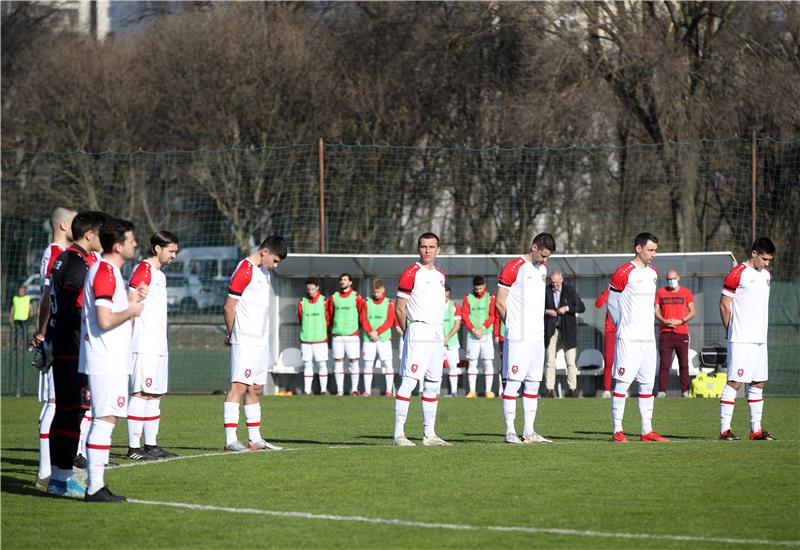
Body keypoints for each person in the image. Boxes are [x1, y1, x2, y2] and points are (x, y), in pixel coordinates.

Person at [80, 218, 146, 502]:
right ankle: (95, 487)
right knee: (104, 420)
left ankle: (96, 484)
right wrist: (131, 311)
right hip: (104, 360)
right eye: (131, 240)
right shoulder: (105, 272)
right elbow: (105, 320)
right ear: (118, 246)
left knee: (106, 419)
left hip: (110, 359)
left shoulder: (110, 272)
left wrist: (131, 301)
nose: (135, 244)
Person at [45, 211, 107, 498]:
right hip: (71, 349)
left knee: (68, 412)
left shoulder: (65, 259)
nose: (104, 238)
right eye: (101, 233)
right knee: (72, 413)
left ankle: (59, 477)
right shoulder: (75, 263)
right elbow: (72, 306)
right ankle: (62, 478)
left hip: (63, 345)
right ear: (89, 234)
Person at [222, 236, 288, 452]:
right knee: (239, 387)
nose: (275, 265)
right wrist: (232, 334)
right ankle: (231, 440)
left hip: (260, 340)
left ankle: (255, 440)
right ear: (264, 252)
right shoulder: (245, 270)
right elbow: (229, 307)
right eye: (275, 260)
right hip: (245, 338)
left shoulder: (264, 271)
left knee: (256, 388)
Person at [30, 207, 76, 489]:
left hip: (60, 337)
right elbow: (47, 296)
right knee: (53, 403)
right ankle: (45, 471)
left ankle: (57, 466)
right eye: (74, 223)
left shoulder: (62, 254)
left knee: (60, 403)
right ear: (62, 224)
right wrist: (43, 332)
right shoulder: (55, 253)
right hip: (55, 339)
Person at [607, 232, 668, 443]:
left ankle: (646, 431)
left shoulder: (653, 273)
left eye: (656, 250)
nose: (654, 254)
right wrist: (621, 326)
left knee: (647, 385)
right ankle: (617, 430)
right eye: (650, 250)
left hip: (648, 339)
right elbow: (611, 302)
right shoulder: (623, 272)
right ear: (638, 248)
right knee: (623, 384)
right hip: (629, 339)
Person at [496, 232, 555, 445]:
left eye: (548, 257)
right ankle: (510, 431)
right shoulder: (514, 267)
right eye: (543, 255)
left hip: (537, 336)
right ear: (534, 247)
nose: (546, 261)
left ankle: (529, 432)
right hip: (518, 335)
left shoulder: (542, 269)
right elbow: (500, 303)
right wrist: (512, 327)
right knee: (513, 383)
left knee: (532, 384)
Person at [392, 232, 451, 447]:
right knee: (409, 381)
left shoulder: (440, 275)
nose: (427, 250)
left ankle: (430, 434)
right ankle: (399, 435)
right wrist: (409, 330)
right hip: (419, 331)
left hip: (437, 333)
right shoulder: (410, 273)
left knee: (433, 384)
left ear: (438, 249)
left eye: (431, 246)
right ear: (418, 248)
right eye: (423, 246)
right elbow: (400, 306)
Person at [126, 230, 180, 460]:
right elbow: (130, 301)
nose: (174, 256)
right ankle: (133, 448)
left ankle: (151, 445)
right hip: (144, 343)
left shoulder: (160, 275)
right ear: (157, 248)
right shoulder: (144, 269)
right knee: (141, 393)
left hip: (159, 344)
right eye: (171, 251)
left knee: (155, 394)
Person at [718, 237, 776, 441]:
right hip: (741, 338)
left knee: (758, 383)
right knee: (735, 382)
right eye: (765, 259)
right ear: (754, 253)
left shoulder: (766, 275)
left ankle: (756, 430)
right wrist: (730, 330)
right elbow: (725, 304)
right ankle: (725, 430)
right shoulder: (737, 273)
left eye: (769, 260)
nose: (767, 263)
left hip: (760, 338)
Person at [544, 270, 586, 398]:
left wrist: (567, 308)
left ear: (562, 280)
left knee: (570, 362)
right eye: (553, 283)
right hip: (552, 330)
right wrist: (547, 311)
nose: (555, 285)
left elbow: (581, 307)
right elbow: (537, 308)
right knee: (550, 361)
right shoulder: (546, 291)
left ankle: (572, 389)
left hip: (568, 330)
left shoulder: (569, 290)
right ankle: (549, 390)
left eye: (557, 283)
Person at [654, 269, 696, 398]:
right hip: (665, 334)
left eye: (673, 278)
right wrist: (664, 321)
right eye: (669, 279)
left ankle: (685, 391)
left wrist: (681, 321)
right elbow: (655, 311)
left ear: (678, 278)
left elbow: (693, 311)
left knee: (684, 363)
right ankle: (662, 391)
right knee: (664, 364)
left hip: (682, 333)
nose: (671, 281)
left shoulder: (686, 292)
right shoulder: (660, 292)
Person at [326, 273, 366, 396]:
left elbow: (362, 314)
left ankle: (354, 389)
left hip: (352, 335)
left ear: (350, 282)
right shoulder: (334, 297)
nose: (342, 282)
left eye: (345, 280)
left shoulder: (356, 297)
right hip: (337, 335)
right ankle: (339, 391)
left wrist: (357, 328)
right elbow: (329, 314)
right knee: (338, 362)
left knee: (354, 361)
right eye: (341, 280)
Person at [360, 279, 396, 397]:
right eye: (374, 292)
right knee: (368, 365)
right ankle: (367, 391)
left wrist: (377, 332)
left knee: (387, 364)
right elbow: (363, 319)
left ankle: (388, 391)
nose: (376, 294)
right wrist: (371, 332)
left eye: (378, 292)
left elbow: (390, 320)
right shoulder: (367, 302)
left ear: (383, 290)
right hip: (369, 338)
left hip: (384, 339)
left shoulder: (388, 303)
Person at [461, 276, 497, 398]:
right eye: (476, 289)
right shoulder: (468, 298)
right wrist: (473, 329)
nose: (479, 291)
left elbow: (492, 316)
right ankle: (472, 391)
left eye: (480, 289)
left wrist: (481, 328)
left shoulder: (490, 298)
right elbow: (465, 315)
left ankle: (488, 391)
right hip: (472, 335)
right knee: (472, 362)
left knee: (487, 362)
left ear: (484, 286)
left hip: (486, 335)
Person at [298, 277, 331, 395]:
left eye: (312, 289)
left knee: (322, 364)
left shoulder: (324, 301)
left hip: (320, 339)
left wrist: (321, 330)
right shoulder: (302, 302)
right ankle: (307, 391)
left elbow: (328, 318)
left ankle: (323, 390)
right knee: (307, 364)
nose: (310, 291)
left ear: (317, 288)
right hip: (306, 339)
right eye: (308, 289)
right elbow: (301, 318)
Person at [594, 289, 615, 398]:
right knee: (609, 359)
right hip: (610, 330)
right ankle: (607, 389)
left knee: (624, 361)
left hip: (624, 329)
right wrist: (606, 293)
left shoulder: (628, 291)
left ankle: (625, 389)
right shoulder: (609, 291)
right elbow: (598, 304)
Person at [443, 286, 462, 397]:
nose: (445, 298)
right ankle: (434, 393)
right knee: (435, 369)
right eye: (443, 296)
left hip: (452, 343)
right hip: (437, 343)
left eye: (447, 296)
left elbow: (457, 325)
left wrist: (447, 337)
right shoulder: (434, 307)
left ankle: (454, 392)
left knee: (453, 367)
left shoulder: (454, 306)